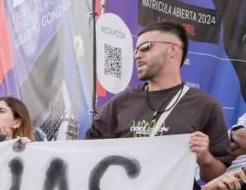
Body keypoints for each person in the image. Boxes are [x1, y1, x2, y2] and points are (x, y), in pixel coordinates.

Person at [85, 21, 230, 180]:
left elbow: (216, 176)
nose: (137, 55)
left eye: (146, 47)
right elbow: (86, 152)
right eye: (136, 50)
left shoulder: (206, 106)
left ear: (172, 49)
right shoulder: (122, 101)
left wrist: (205, 157)